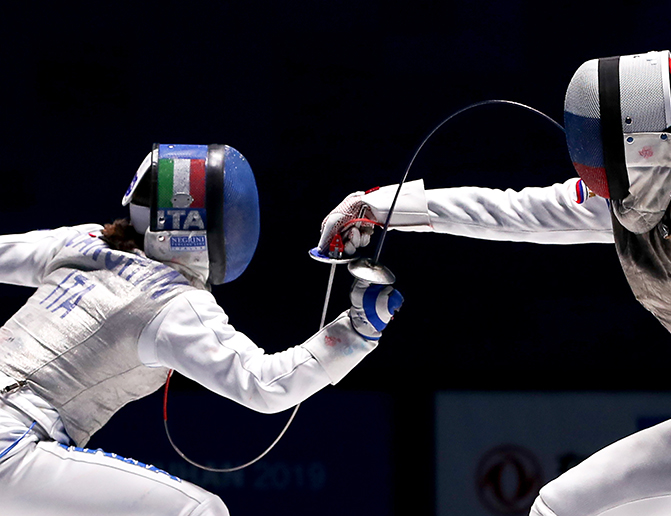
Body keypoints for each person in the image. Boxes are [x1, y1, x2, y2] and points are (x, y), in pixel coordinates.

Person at [315, 50, 671, 515]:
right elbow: (510, 211)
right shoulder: (625, 204)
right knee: (562, 507)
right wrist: (379, 207)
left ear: (638, 141)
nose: (588, 163)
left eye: (596, 146)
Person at [0, 143, 403, 516]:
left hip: (19, 446)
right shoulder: (172, 302)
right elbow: (265, 385)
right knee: (198, 512)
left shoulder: (83, 240)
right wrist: (357, 331)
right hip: (13, 443)